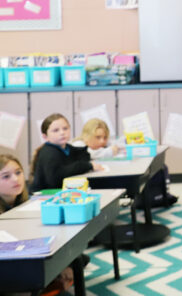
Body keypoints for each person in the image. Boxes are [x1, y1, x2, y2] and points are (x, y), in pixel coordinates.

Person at [0, 154, 74, 296]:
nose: (16, 179)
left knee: (77, 258)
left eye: (18, 172)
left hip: (26, 257)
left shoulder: (24, 202)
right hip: (9, 265)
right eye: (6, 176)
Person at [29, 113, 104, 193]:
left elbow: (83, 154)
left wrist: (85, 164)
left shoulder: (66, 147)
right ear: (45, 137)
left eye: (65, 128)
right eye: (56, 130)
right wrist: (86, 165)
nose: (62, 133)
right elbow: (57, 177)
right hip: (43, 195)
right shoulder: (49, 152)